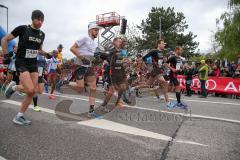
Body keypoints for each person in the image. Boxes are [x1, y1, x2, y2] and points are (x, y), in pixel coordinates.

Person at [1, 10, 47, 125]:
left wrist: (48, 54)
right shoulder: (23, 29)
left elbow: (39, 50)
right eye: (38, 19)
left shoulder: (42, 34)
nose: (40, 22)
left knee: (33, 92)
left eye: (42, 20)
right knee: (30, 89)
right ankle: (14, 87)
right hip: (22, 62)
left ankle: (19, 116)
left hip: (33, 64)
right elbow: (4, 39)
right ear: (33, 19)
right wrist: (6, 54)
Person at [70, 23, 101, 118]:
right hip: (80, 65)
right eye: (96, 30)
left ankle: (91, 111)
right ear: (90, 30)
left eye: (98, 30)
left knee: (93, 88)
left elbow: (91, 56)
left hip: (89, 67)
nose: (97, 32)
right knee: (80, 88)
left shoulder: (94, 43)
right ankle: (63, 82)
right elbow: (72, 48)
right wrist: (82, 58)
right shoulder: (84, 38)